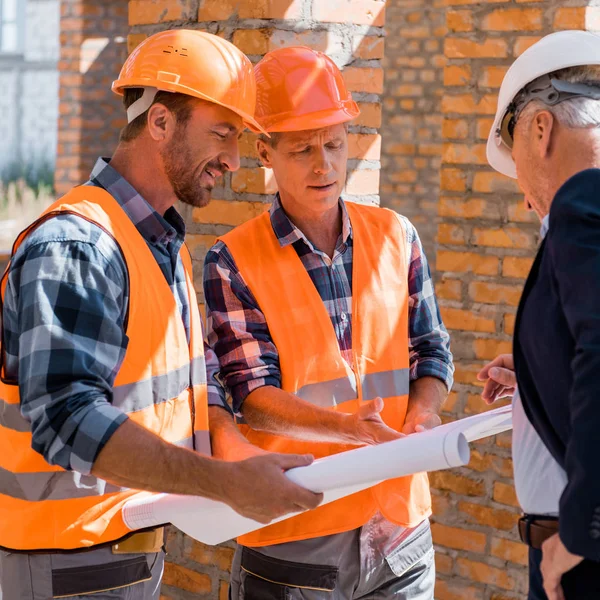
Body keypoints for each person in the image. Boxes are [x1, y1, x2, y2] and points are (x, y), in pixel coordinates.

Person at [0, 30, 322, 600]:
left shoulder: (157, 242)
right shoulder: (80, 245)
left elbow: (184, 386)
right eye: (221, 133)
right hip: (62, 563)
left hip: (114, 558)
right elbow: (66, 418)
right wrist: (223, 483)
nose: (233, 159)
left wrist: (235, 451)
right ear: (160, 122)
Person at [204, 46, 454, 599]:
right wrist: (349, 430)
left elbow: (430, 348)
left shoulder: (397, 235)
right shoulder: (233, 259)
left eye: (335, 145)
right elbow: (251, 394)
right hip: (298, 533)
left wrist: (423, 416)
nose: (324, 165)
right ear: (265, 152)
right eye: (303, 149)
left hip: (401, 529)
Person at [479, 29, 600, 600]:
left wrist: (583, 529)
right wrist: (536, 367)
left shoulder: (582, 203)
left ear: (541, 129)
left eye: (517, 165)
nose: (525, 197)